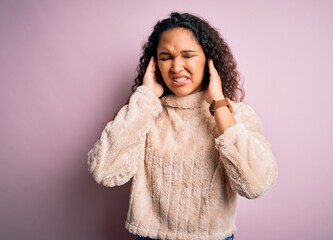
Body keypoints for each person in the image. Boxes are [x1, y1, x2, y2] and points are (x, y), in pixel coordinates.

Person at [87, 12, 277, 240]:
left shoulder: (235, 114)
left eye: (188, 55)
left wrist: (218, 104)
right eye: (166, 57)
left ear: (209, 60)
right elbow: (104, 171)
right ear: (154, 64)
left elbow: (256, 185)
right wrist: (146, 97)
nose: (176, 67)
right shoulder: (146, 112)